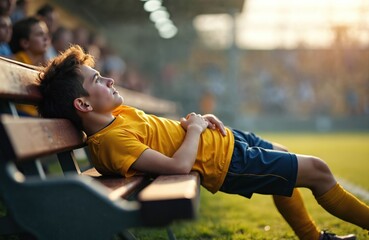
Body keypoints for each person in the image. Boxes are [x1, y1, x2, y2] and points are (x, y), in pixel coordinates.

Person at [36, 45, 369, 240]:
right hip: (224, 163)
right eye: (97, 80)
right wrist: (195, 129)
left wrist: (194, 122)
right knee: (318, 170)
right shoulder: (110, 141)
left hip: (226, 141)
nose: (109, 79)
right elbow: (179, 165)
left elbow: (163, 135)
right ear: (83, 105)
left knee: (286, 161)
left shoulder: (116, 116)